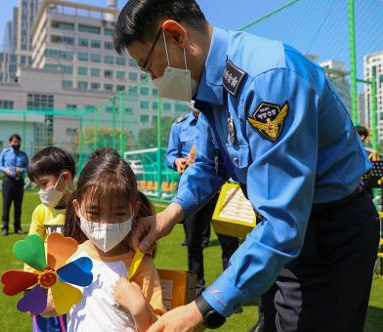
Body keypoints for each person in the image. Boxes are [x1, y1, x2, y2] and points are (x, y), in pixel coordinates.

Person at [114, 1, 379, 331]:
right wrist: (170, 214)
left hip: (328, 234)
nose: (153, 79)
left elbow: (284, 220)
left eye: (147, 66)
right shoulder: (212, 86)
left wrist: (201, 309)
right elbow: (210, 163)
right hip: (276, 232)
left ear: (175, 35)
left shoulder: (265, 81)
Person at [47, 153, 165, 332]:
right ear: (77, 208)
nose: (105, 224)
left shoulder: (141, 266)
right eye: (94, 213)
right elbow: (55, 307)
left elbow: (160, 328)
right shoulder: (72, 257)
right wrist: (44, 301)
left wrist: (139, 309)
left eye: (118, 214)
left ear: (134, 210)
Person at [166, 104, 239, 296]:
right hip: (193, 192)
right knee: (193, 243)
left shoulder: (223, 117)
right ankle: (197, 288)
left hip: (223, 190)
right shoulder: (180, 125)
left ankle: (229, 290)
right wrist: (177, 161)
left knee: (229, 243)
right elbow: (171, 154)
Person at [25, 146, 76, 332]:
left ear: (65, 178)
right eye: (38, 185)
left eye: (44, 183)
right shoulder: (41, 211)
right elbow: (32, 250)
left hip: (76, 287)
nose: (41, 191)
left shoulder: (81, 210)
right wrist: (30, 290)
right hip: (46, 286)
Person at [0, 133, 29, 236]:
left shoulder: (23, 155)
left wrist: (21, 169)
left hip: (19, 182)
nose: (16, 143)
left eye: (18, 141)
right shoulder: (5, 152)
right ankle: (5, 228)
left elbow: (28, 168)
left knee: (18, 206)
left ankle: (17, 227)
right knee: (6, 205)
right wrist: (4, 169)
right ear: (10, 142)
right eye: (14, 141)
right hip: (8, 181)